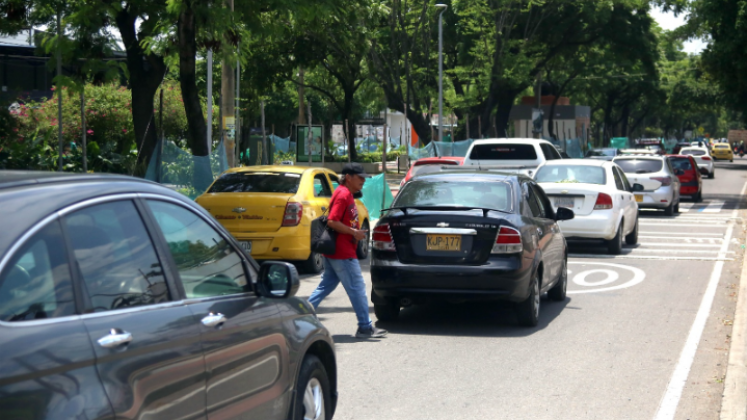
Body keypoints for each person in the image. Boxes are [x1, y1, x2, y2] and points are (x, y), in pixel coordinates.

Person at [308, 163, 388, 339]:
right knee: (358, 288)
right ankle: (365, 327)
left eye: (363, 178)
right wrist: (354, 233)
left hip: (338, 252)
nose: (362, 181)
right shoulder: (343, 194)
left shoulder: (347, 194)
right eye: (359, 177)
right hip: (342, 253)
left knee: (325, 286)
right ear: (348, 177)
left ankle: (301, 317)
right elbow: (332, 221)